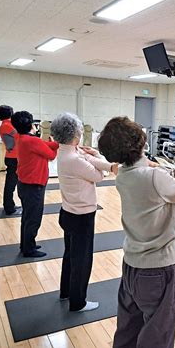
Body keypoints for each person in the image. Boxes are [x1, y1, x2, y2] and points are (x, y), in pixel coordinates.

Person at [97, 117, 175, 348]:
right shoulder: (152, 176)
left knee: (127, 331)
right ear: (141, 142)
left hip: (131, 266)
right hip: (160, 269)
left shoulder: (124, 175)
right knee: (158, 337)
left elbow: (163, 176)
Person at [51, 113, 118, 312]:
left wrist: (98, 158)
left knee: (70, 255)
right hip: (81, 217)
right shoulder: (74, 159)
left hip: (68, 213)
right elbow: (98, 176)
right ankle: (78, 302)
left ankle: (66, 292)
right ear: (75, 135)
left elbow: (88, 158)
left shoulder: (67, 152)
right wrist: (107, 167)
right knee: (82, 260)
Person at [11, 111, 59, 258]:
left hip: (25, 183)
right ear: (31, 125)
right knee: (33, 218)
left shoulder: (22, 138)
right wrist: (57, 146)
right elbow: (51, 156)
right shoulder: (33, 141)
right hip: (34, 184)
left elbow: (45, 144)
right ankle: (29, 249)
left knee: (27, 216)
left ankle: (26, 244)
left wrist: (55, 143)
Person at [0, 105, 21, 215]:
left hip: (13, 157)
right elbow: (19, 135)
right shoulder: (7, 125)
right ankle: (9, 208)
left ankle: (10, 205)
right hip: (13, 158)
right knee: (10, 185)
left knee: (11, 184)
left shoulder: (6, 124)